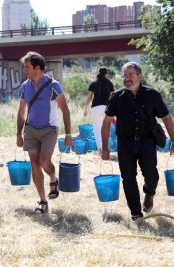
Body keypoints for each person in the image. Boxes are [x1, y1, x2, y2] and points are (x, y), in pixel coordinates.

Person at [101, 61, 174, 221]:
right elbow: (106, 121)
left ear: (140, 76)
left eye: (131, 75)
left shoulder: (152, 95)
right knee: (128, 178)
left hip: (147, 142)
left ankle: (149, 193)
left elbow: (167, 118)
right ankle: (136, 213)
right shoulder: (116, 96)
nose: (127, 78)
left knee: (152, 175)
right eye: (124, 75)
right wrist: (104, 147)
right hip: (125, 144)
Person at [16, 51, 73, 214]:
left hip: (49, 129)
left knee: (43, 161)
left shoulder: (53, 85)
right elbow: (21, 113)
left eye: (27, 67)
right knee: (34, 164)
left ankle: (53, 179)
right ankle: (43, 201)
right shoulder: (24, 86)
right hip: (31, 130)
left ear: (38, 68)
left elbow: (65, 110)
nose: (24, 70)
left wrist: (68, 134)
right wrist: (18, 134)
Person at [83, 67, 114, 150]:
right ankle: (106, 146)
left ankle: (100, 148)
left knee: (97, 128)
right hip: (106, 108)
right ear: (106, 74)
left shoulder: (93, 83)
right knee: (106, 127)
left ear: (98, 72)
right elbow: (112, 97)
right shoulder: (109, 83)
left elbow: (89, 98)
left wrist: (86, 109)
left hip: (95, 108)